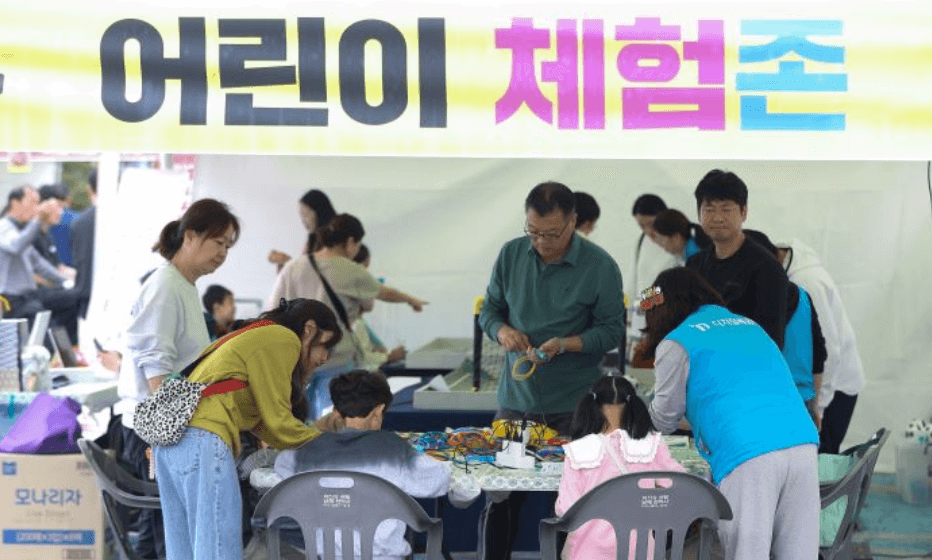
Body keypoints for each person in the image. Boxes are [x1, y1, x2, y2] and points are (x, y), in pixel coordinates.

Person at [478, 181, 625, 560]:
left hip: (574, 405)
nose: (542, 242)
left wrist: (568, 343)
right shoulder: (511, 254)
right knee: (502, 497)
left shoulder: (600, 265)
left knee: (572, 501)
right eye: (534, 233)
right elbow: (490, 311)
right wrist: (502, 330)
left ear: (574, 221)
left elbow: (612, 330)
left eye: (552, 234)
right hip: (516, 402)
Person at [645, 267, 820, 560]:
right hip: (801, 442)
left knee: (748, 553)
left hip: (748, 456)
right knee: (799, 553)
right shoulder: (749, 325)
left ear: (662, 307)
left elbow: (663, 418)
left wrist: (636, 415)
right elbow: (734, 398)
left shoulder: (677, 342)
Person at [154, 298, 344, 560]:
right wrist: (333, 445)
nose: (324, 357)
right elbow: (279, 424)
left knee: (184, 551)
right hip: (203, 442)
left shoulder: (250, 336)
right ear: (309, 329)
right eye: (326, 346)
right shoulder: (283, 338)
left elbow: (264, 423)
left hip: (172, 445)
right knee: (218, 550)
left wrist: (310, 435)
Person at [114, 198, 240, 559]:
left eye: (228, 247)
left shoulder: (184, 285)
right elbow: (155, 364)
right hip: (158, 429)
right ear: (190, 236)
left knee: (183, 535)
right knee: (175, 538)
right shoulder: (166, 285)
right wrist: (161, 434)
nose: (223, 254)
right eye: (218, 243)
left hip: (171, 426)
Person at [274, 369, 450, 560]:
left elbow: (281, 464)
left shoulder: (308, 453)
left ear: (336, 411)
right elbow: (440, 481)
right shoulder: (395, 451)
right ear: (378, 411)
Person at [269, 214, 425, 417]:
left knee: (299, 421)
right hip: (336, 359)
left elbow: (274, 309)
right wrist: (410, 299)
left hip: (298, 360)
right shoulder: (351, 270)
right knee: (334, 419)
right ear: (351, 241)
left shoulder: (293, 268)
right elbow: (380, 294)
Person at [556, 375, 685, 560]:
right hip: (641, 552)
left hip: (587, 553)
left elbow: (566, 509)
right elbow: (679, 486)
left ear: (591, 406)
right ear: (633, 405)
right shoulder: (652, 446)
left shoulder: (577, 452)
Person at [764, 235, 866, 453]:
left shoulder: (806, 283)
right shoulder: (792, 272)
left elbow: (828, 350)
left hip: (835, 388)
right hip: (822, 387)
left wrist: (818, 406)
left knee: (821, 463)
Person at [685, 170, 788, 348]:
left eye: (726, 209)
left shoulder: (766, 268)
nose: (717, 218)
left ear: (744, 212)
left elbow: (771, 341)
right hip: (702, 366)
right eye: (709, 209)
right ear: (698, 213)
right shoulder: (694, 265)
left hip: (745, 369)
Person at [744, 230, 828, 428]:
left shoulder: (745, 302)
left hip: (760, 408)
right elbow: (819, 356)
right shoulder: (802, 296)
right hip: (800, 405)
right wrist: (814, 405)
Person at [0, 185, 80, 344]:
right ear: (15, 203)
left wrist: (67, 282)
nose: (37, 208)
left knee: (72, 301)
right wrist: (38, 219)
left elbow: (40, 264)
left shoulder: (23, 229)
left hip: (28, 298)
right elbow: (16, 246)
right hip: (11, 300)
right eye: (33, 202)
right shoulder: (4, 227)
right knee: (42, 341)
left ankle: (69, 354)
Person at [352, 244, 406, 368]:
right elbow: (362, 360)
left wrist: (381, 350)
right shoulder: (353, 323)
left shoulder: (356, 320)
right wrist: (389, 356)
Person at [268, 188, 337, 269]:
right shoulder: (312, 239)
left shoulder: (335, 238)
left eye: (306, 215)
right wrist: (284, 262)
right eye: (301, 216)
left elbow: (317, 272)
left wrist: (287, 261)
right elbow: (304, 272)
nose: (303, 221)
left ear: (320, 212)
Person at [70, 170, 96, 320]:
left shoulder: (80, 222)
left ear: (89, 189)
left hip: (85, 296)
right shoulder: (124, 219)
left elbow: (79, 260)